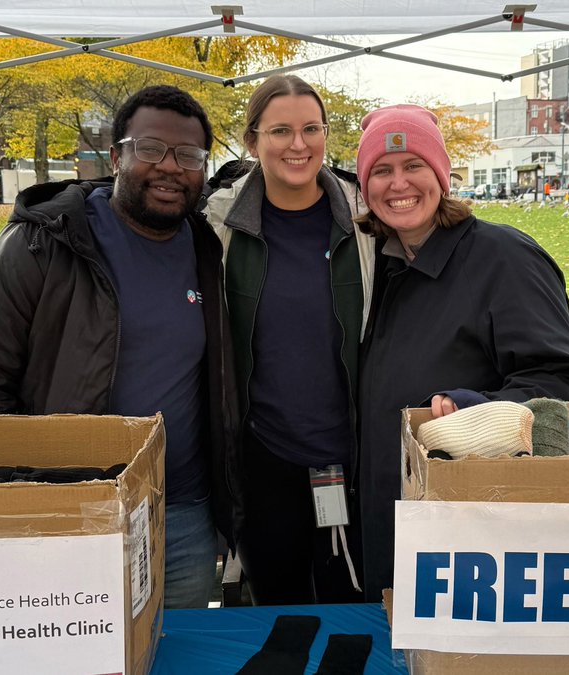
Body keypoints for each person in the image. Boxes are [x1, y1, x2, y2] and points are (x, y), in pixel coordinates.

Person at [0, 85, 236, 610]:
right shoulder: (44, 241)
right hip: (69, 506)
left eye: (189, 156)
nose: (171, 167)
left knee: (177, 655)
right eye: (151, 149)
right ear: (116, 156)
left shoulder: (204, 249)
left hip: (183, 515)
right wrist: (13, 498)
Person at [354, 104, 569, 601]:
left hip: (472, 527)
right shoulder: (371, 265)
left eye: (413, 166)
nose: (398, 184)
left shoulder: (503, 257)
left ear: (441, 175)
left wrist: (479, 408)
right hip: (383, 513)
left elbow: (563, 384)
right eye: (381, 170)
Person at [202, 74, 376, 606]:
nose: (298, 145)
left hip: (353, 458)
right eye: (280, 131)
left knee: (352, 612)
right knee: (278, 611)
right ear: (252, 140)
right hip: (263, 462)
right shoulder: (218, 223)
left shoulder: (368, 218)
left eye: (311, 129)